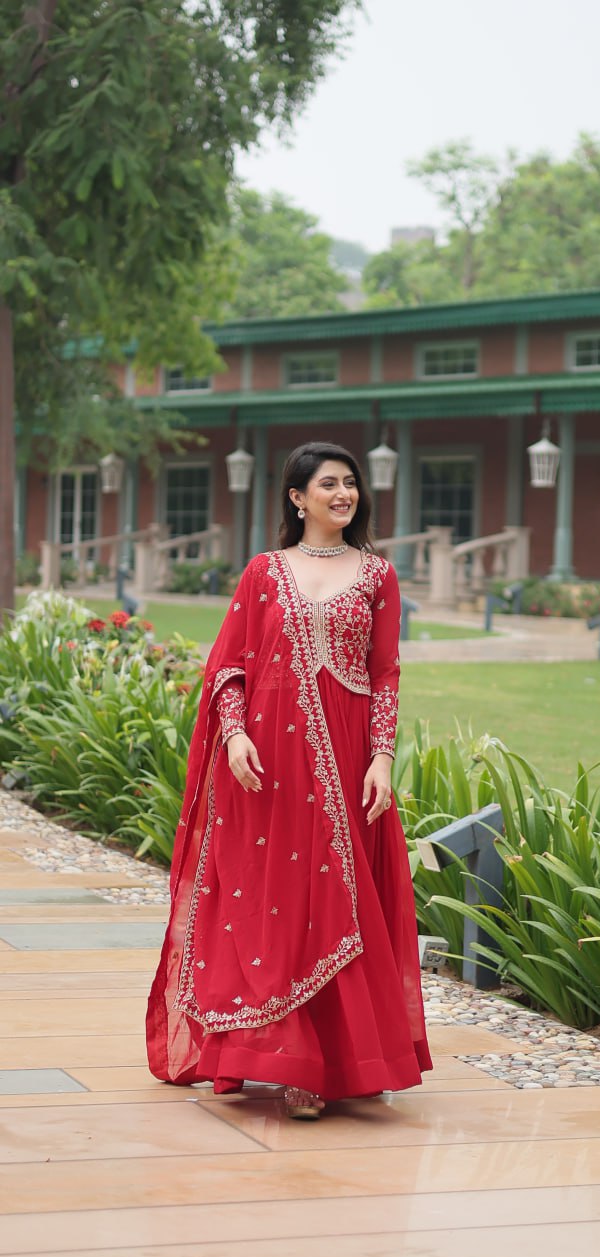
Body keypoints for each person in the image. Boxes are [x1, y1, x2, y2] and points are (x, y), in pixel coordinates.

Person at [146, 441, 432, 1117]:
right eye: (328, 484)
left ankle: (326, 1064)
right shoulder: (264, 572)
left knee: (338, 901)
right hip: (269, 764)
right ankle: (265, 1050)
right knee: (269, 903)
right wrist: (237, 732)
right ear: (296, 497)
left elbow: (386, 671)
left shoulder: (378, 576)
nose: (343, 494)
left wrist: (382, 757)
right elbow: (228, 666)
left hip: (344, 755)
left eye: (350, 484)